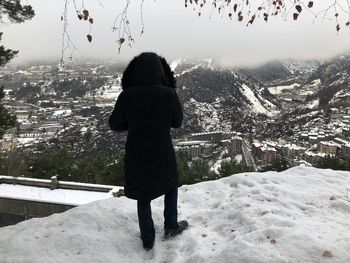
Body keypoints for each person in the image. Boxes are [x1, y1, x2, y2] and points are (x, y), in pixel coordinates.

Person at [109, 52, 188, 251]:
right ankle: (171, 226)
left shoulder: (127, 95)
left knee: (143, 195)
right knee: (170, 187)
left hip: (137, 153)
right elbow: (177, 122)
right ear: (160, 72)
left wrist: (134, 123)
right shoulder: (169, 94)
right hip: (162, 150)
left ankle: (147, 238)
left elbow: (115, 124)